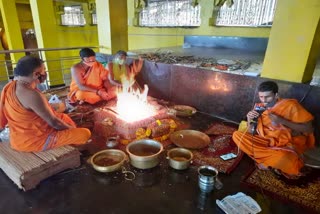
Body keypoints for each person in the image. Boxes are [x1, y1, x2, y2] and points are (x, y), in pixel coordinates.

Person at [0, 56, 91, 152]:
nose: (45, 73)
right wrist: (71, 130)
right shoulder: (31, 94)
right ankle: (75, 145)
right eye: (44, 70)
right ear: (36, 74)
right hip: (34, 140)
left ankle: (69, 137)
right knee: (84, 134)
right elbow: (54, 123)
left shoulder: (9, 86)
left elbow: (2, 116)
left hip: (18, 137)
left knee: (64, 117)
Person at [232, 81, 314, 178]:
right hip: (266, 140)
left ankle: (267, 160)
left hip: (287, 143)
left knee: (285, 159)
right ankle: (270, 161)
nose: (264, 100)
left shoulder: (290, 105)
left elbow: (309, 129)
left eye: (268, 97)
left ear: (276, 95)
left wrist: (282, 121)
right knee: (237, 135)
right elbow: (251, 132)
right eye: (261, 97)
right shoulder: (259, 107)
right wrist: (250, 120)